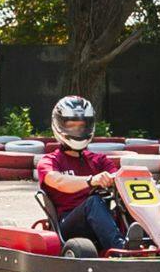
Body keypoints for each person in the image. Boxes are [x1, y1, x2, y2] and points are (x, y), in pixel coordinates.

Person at [35, 94, 128, 250]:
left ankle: (157, 238)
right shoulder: (50, 161)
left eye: (82, 126)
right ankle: (120, 249)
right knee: (93, 202)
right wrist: (91, 180)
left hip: (101, 221)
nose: (78, 130)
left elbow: (119, 177)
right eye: (72, 125)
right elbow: (57, 180)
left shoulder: (99, 160)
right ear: (60, 126)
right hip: (68, 226)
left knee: (127, 204)